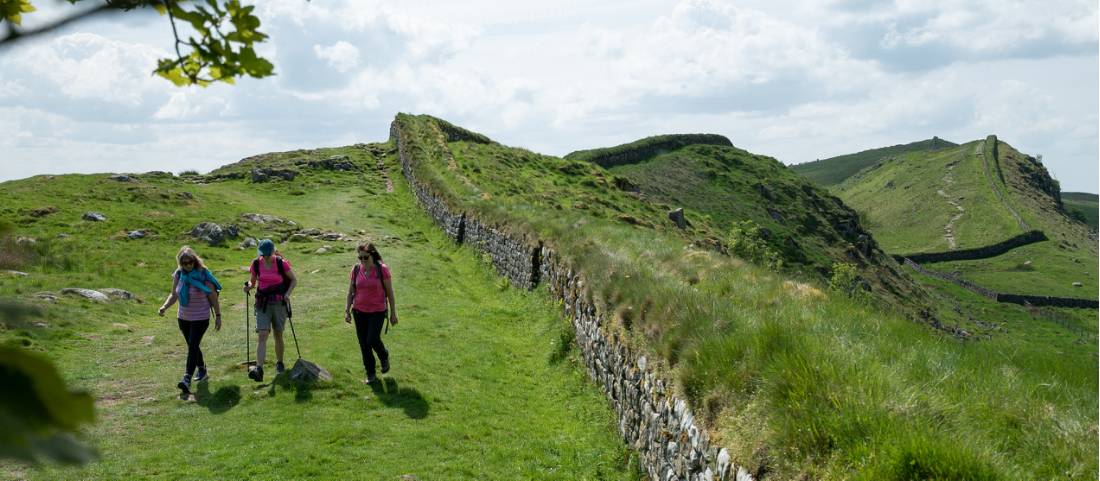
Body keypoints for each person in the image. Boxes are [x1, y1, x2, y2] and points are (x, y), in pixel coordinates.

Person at [158, 246, 222, 394]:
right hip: (183, 318)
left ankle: (186, 378)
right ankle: (202, 369)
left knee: (193, 345)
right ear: (180, 263)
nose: (187, 265)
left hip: (200, 317)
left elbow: (213, 296)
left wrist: (218, 316)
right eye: (184, 263)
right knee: (192, 346)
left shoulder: (204, 275)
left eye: (190, 262)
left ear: (195, 260)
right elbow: (174, 294)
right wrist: (164, 307)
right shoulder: (179, 274)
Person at [344, 242, 398, 384]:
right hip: (358, 311)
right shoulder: (356, 270)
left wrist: (393, 313)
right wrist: (347, 310)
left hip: (377, 311)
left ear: (372, 255)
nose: (362, 261)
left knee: (372, 339)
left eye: (365, 257)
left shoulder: (382, 270)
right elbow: (350, 291)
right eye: (360, 258)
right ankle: (370, 373)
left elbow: (390, 293)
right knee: (364, 344)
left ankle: (383, 355)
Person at [243, 239, 297, 382]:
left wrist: (287, 294)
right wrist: (248, 286)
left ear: (273, 251)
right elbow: (252, 282)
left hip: (279, 303)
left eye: (268, 254)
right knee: (262, 334)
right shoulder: (256, 264)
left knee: (278, 334)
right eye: (264, 255)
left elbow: (294, 280)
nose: (266, 257)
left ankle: (279, 363)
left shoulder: (281, 263)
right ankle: (259, 369)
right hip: (262, 303)